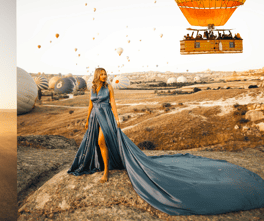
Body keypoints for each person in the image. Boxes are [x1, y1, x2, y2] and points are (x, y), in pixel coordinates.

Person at [68, 68, 264, 216]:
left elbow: (113, 103)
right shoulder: (93, 88)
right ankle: (105, 165)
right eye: (101, 74)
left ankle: (105, 171)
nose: (104, 76)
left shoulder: (110, 87)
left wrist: (118, 118)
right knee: (99, 143)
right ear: (96, 76)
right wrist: (87, 119)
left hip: (107, 117)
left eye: (105, 74)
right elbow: (90, 104)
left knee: (103, 141)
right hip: (95, 117)